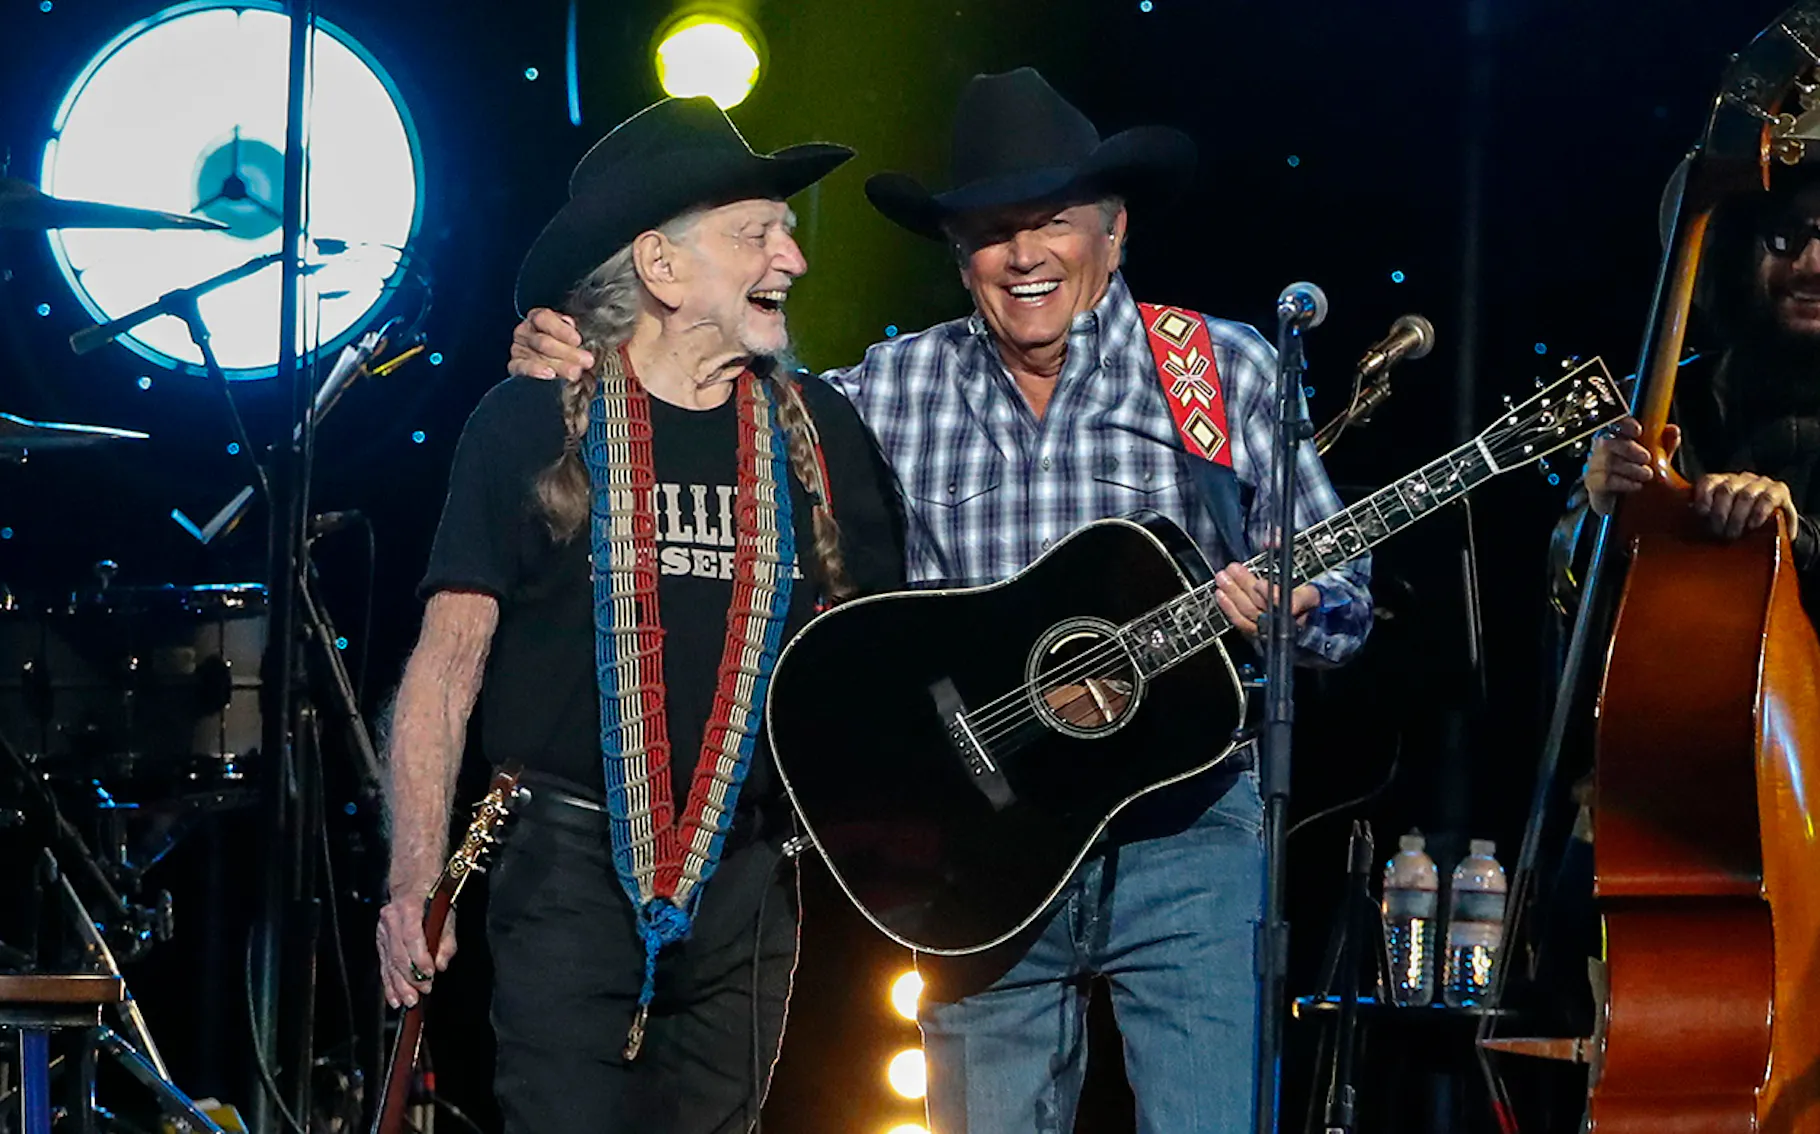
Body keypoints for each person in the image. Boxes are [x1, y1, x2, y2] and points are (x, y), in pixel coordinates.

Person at [510, 68, 1372, 1134]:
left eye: (1050, 222)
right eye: (990, 232)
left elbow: (1342, 594)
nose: (1022, 255)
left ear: (1112, 231)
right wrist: (583, 355)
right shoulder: (889, 387)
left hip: (1185, 832)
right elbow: (703, 391)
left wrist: (1296, 610)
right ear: (958, 254)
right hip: (981, 847)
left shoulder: (1219, 369)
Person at [376, 96, 904, 1134]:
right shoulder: (527, 420)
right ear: (660, 267)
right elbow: (444, 668)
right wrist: (411, 882)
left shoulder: (825, 431)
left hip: (748, 875)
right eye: (756, 233)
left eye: (787, 231)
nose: (792, 258)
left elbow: (874, 658)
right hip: (566, 869)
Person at [1583, 170, 1820, 618]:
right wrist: (1599, 520)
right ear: (1740, 252)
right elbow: (1563, 589)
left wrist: (1796, 537)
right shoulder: (1658, 399)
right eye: (1784, 237)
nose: (1812, 266)